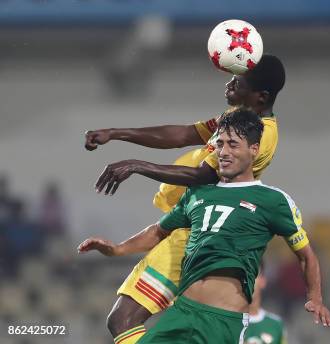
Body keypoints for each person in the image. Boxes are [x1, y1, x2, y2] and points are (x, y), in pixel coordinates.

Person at [79, 109, 330, 343]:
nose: (224, 152)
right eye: (220, 144)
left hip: (221, 320)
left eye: (233, 145)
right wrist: (116, 249)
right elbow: (159, 231)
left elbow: (306, 256)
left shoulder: (273, 200)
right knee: (118, 323)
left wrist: (315, 298)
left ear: (254, 149)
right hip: (182, 312)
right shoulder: (197, 194)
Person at [83, 55, 285, 344]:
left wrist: (137, 165)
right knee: (134, 323)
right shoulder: (236, 123)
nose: (228, 83)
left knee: (124, 319)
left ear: (261, 96)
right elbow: (182, 134)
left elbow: (200, 175)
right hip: (186, 225)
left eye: (237, 82)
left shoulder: (262, 135)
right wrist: (116, 133)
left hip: (198, 235)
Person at [244, 264, 288, 344]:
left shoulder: (276, 325)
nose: (247, 281)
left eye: (253, 275)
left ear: (262, 281)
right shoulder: (228, 322)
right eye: (244, 276)